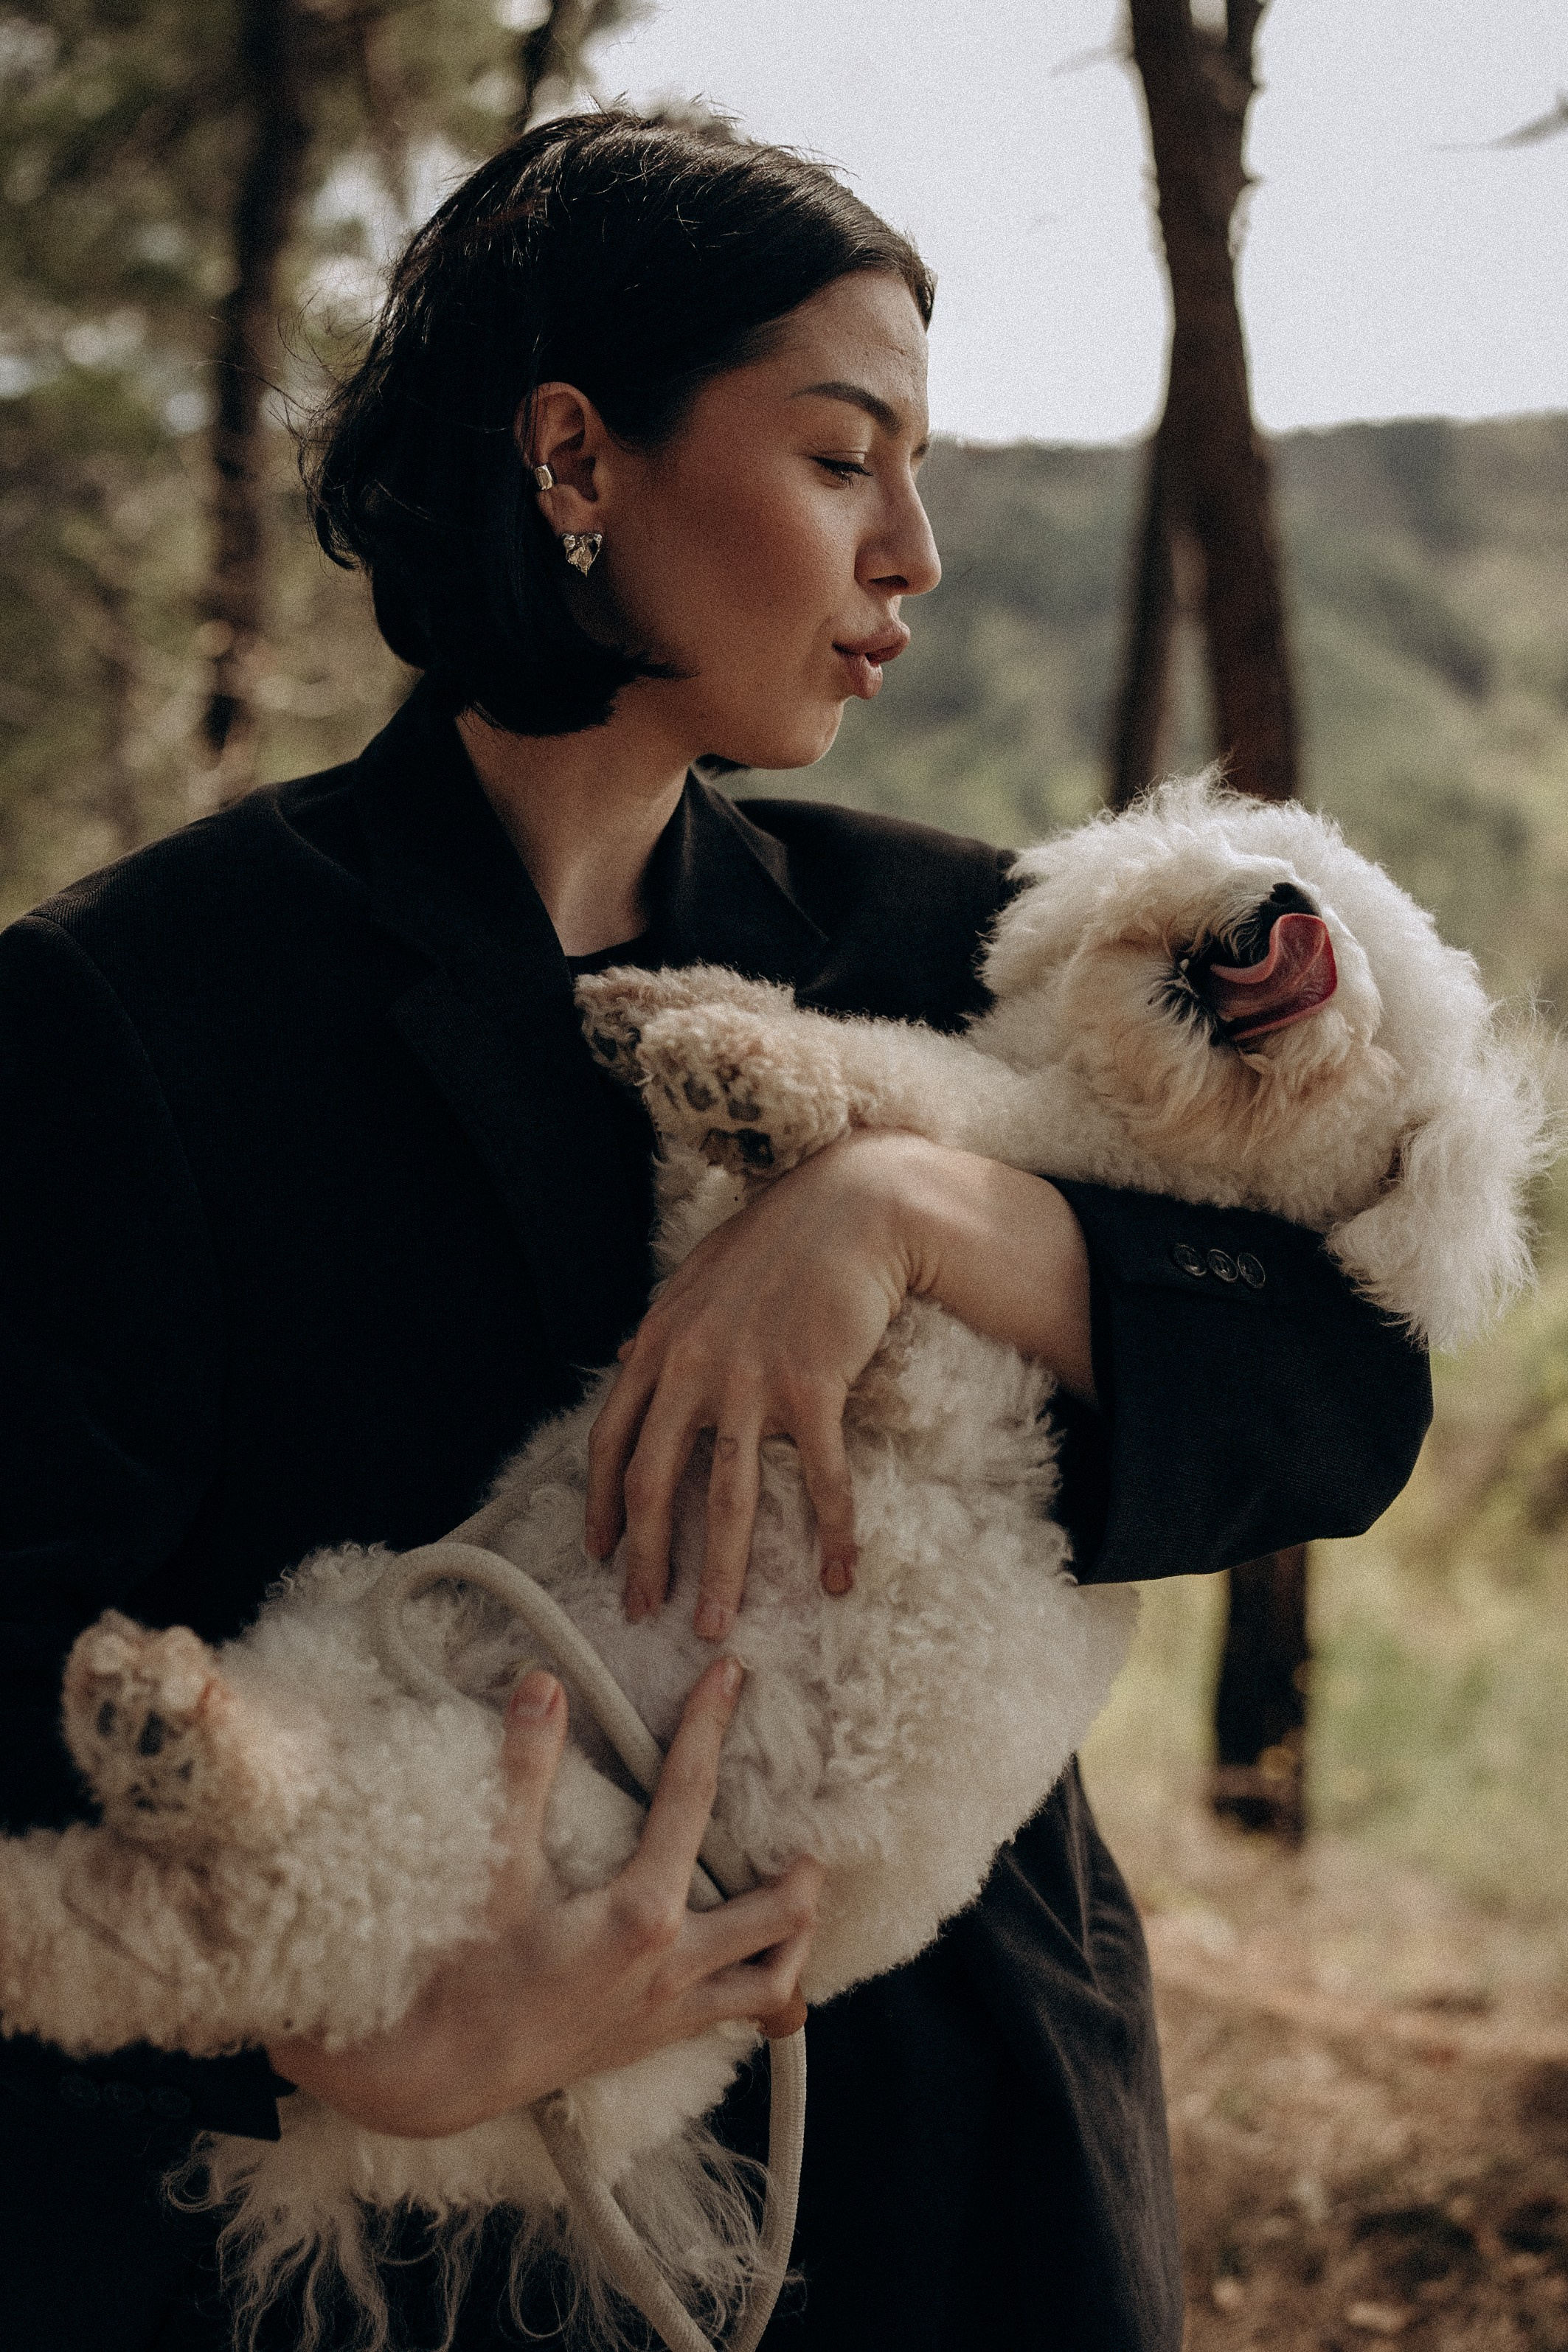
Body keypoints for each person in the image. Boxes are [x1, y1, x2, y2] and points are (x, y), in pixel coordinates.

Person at [0, 114, 1430, 2351]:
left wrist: (904, 1204)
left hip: (961, 2171)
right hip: (424, 2240)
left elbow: (1344, 1387)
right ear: (576, 458)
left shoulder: (958, 948)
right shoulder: (132, 1005)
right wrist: (334, 2053)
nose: (921, 552)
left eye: (924, 468)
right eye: (844, 458)